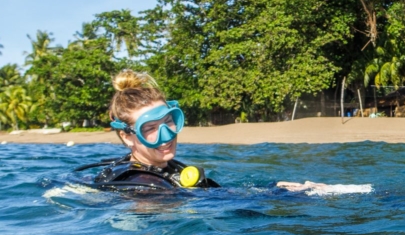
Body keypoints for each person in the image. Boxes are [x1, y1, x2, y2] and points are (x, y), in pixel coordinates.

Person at [75, 69, 327, 193]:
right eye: (150, 129)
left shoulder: (167, 169)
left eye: (169, 123)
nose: (166, 137)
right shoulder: (143, 186)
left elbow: (217, 194)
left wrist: (274, 186)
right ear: (127, 136)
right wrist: (280, 196)